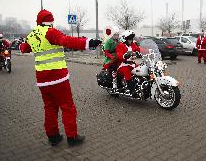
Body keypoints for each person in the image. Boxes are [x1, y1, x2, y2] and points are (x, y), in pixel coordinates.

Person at [19, 9, 101, 147]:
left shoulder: (32, 35)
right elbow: (67, 40)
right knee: (67, 107)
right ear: (50, 21)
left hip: (42, 79)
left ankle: (53, 136)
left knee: (50, 108)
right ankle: (72, 137)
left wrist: (22, 43)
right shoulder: (50, 32)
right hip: (57, 78)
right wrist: (88, 42)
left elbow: (24, 48)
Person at [116, 30, 141, 96]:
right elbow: (119, 54)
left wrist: (149, 50)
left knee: (141, 69)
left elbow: (139, 49)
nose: (131, 40)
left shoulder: (133, 45)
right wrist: (124, 55)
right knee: (126, 70)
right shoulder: (121, 45)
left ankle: (139, 85)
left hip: (131, 64)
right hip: (122, 64)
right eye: (129, 39)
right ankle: (131, 90)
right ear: (125, 39)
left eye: (131, 39)